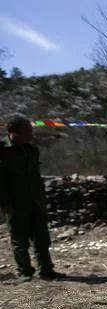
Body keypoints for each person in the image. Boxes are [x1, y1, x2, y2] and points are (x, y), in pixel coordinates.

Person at [0, 115, 64, 282]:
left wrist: (41, 199)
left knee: (42, 238)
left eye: (30, 132)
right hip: (15, 203)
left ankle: (46, 270)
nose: (30, 135)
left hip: (35, 201)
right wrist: (4, 204)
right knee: (20, 240)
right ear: (12, 132)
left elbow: (35, 177)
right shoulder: (3, 151)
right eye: (26, 132)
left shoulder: (32, 150)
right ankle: (25, 271)